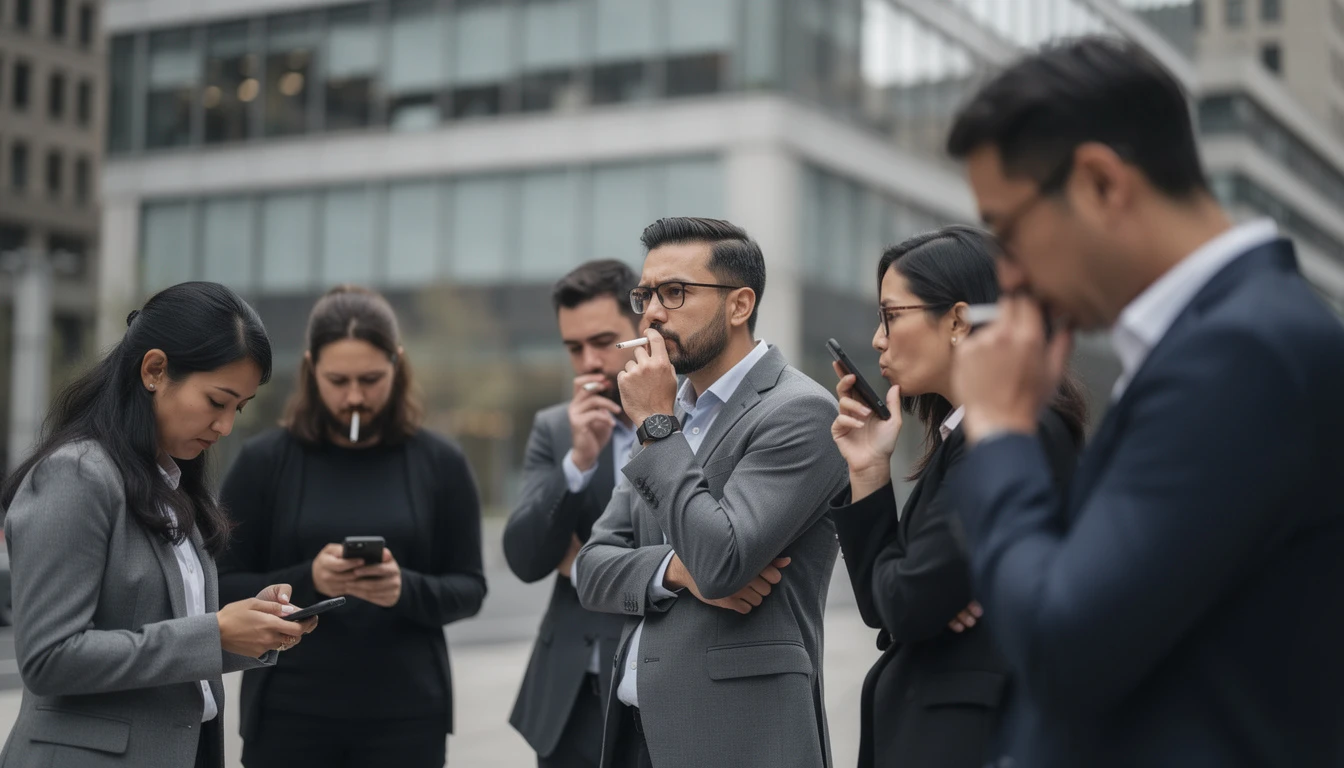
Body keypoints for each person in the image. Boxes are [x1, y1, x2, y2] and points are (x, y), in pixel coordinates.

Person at [943, 36, 1344, 767]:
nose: (1007, 273)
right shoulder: (1220, 341)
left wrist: (999, 432)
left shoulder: (1242, 353)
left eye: (1008, 230)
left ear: (1100, 182)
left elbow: (1064, 645)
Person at [0, 282, 317, 768]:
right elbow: (49, 658)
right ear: (154, 370)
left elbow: (171, 646)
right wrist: (214, 633)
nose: (225, 426)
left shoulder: (171, 483)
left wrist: (250, 629)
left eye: (239, 408)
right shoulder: (77, 473)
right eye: (217, 401)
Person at [573, 217, 848, 768]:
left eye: (674, 293)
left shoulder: (799, 411)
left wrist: (654, 426)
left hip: (741, 740)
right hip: (635, 737)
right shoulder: (670, 411)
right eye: (645, 295)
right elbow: (591, 567)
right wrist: (674, 571)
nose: (651, 313)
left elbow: (721, 561)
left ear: (739, 305)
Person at [827, 226, 1084, 768]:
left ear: (959, 320)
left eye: (891, 315)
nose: (877, 339)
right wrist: (870, 469)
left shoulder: (1019, 432)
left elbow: (908, 601)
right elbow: (886, 608)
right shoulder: (964, 439)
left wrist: (924, 584)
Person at [217, 285, 487, 768]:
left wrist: (403, 588)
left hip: (407, 719)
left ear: (398, 365)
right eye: (338, 380)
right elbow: (220, 587)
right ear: (310, 369)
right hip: (287, 716)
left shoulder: (439, 462)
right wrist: (310, 580)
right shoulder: (265, 461)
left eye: (371, 378)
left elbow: (469, 587)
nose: (355, 396)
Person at [504, 260, 641, 768]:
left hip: (660, 681)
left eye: (603, 342)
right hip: (570, 694)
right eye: (574, 348)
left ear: (642, 329)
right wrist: (578, 463)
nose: (589, 362)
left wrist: (587, 563)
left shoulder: (690, 417)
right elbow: (525, 557)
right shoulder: (556, 429)